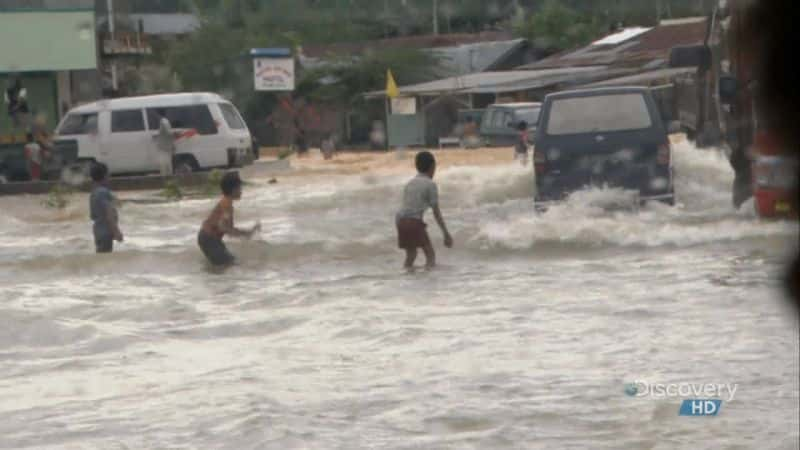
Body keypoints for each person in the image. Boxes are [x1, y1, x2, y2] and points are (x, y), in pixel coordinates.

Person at [396, 151, 453, 269]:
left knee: (411, 255)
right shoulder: (430, 184)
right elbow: (436, 212)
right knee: (430, 255)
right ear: (432, 167)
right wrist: (446, 234)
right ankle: (428, 283)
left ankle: (406, 277)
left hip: (400, 221)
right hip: (414, 222)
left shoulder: (410, 183)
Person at [198, 171, 260, 267]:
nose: (241, 191)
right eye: (239, 188)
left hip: (208, 238)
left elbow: (224, 227)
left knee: (226, 265)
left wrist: (245, 233)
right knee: (230, 264)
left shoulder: (226, 202)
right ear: (233, 189)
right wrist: (245, 234)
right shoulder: (227, 204)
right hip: (209, 239)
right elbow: (222, 226)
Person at [89, 163, 123, 254]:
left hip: (97, 231)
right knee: (105, 257)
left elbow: (92, 216)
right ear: (105, 176)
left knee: (101, 256)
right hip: (106, 232)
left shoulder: (94, 193)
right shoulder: (104, 192)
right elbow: (109, 213)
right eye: (108, 175)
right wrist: (116, 231)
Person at [155, 109, 176, 176]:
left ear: (158, 114)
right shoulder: (164, 121)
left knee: (164, 162)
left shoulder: (164, 122)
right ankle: (167, 175)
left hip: (165, 146)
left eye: (156, 114)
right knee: (166, 162)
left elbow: (169, 133)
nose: (156, 116)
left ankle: (166, 176)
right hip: (165, 146)